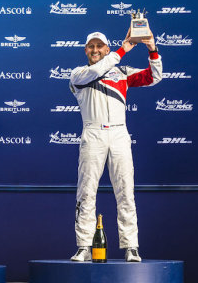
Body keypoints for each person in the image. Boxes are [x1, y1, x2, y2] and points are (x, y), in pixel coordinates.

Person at [69, 30, 162, 262]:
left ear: (106, 49)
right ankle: (83, 246)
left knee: (125, 191)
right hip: (93, 132)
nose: (95, 50)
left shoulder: (121, 72)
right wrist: (123, 49)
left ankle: (131, 246)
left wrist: (152, 49)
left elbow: (154, 77)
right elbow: (96, 71)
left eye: (100, 46)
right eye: (91, 46)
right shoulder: (79, 74)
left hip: (119, 133)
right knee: (86, 192)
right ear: (85, 50)